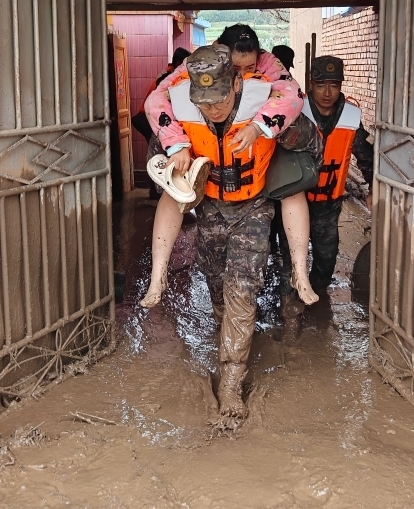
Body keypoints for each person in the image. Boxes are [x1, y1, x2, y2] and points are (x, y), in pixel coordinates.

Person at [151, 43, 322, 420]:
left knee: (242, 291)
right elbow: (156, 160)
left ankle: (231, 382)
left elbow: (312, 143)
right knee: (217, 287)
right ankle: (226, 330)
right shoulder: (177, 107)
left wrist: (276, 134)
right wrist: (173, 152)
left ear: (236, 83)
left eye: (220, 99)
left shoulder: (267, 98)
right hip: (210, 209)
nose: (212, 109)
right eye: (204, 102)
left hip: (253, 209)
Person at [140, 25, 317, 310]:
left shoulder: (267, 73)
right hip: (209, 187)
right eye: (237, 69)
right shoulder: (197, 69)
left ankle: (300, 271)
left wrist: (259, 127)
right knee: (173, 194)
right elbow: (156, 101)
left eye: (249, 68)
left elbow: (293, 97)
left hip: (255, 183)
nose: (244, 77)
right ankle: (158, 275)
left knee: (291, 188)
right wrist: (176, 144)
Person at [303, 56, 374, 289]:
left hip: (329, 203)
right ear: (311, 84)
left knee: (326, 258)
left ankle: (318, 295)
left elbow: (365, 155)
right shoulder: (297, 110)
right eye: (320, 85)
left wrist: (373, 189)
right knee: (290, 255)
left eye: (333, 85)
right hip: (296, 200)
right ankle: (289, 299)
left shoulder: (350, 116)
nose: (327, 93)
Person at [131, 47, 192, 143]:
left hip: (148, 114)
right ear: (178, 63)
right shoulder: (167, 76)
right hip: (147, 115)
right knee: (158, 143)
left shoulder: (168, 72)